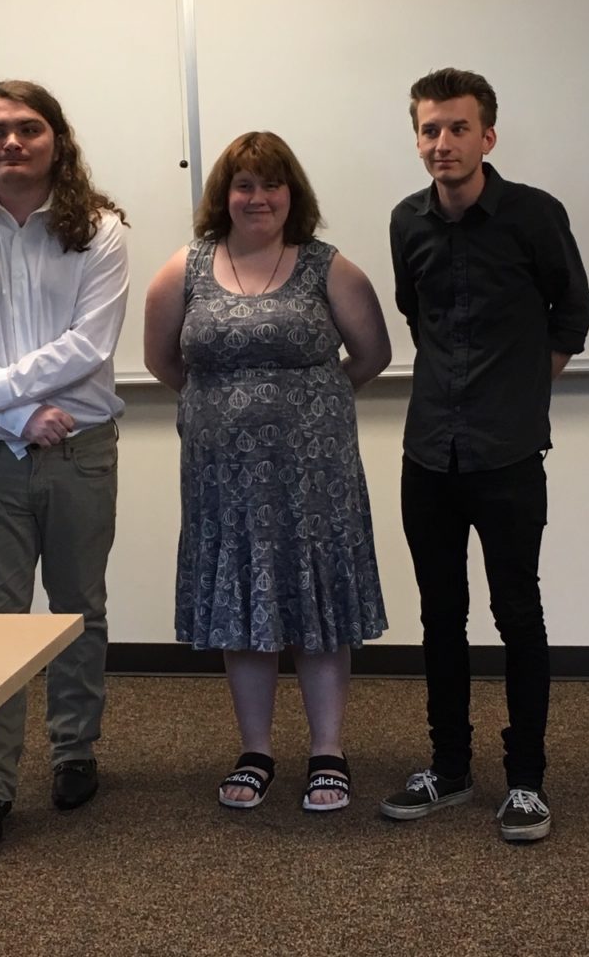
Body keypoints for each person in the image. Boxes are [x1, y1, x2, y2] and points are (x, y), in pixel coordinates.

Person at [144, 132, 390, 811]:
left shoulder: (328, 268)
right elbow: (165, 363)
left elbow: (370, 356)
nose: (258, 197)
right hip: (223, 478)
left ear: (293, 195)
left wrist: (303, 412)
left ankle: (327, 753)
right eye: (244, 184)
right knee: (239, 607)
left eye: (272, 184)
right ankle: (255, 751)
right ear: (224, 195)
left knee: (316, 606)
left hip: (315, 476)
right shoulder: (183, 270)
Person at [0, 80, 129, 855]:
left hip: (81, 448)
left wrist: (1, 392)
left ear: (55, 140)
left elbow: (90, 343)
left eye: (28, 129)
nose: (11, 143)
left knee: (80, 608)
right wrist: (18, 415)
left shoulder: (99, 230)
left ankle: (75, 751)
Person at [379, 68, 589, 841]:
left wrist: (516, 393)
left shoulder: (533, 216)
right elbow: (415, 312)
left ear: (487, 137)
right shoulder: (406, 222)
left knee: (517, 614)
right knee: (440, 617)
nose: (443, 144)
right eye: (430, 130)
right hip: (428, 453)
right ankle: (452, 769)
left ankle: (526, 780)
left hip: (506, 456)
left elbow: (572, 314)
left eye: (458, 128)